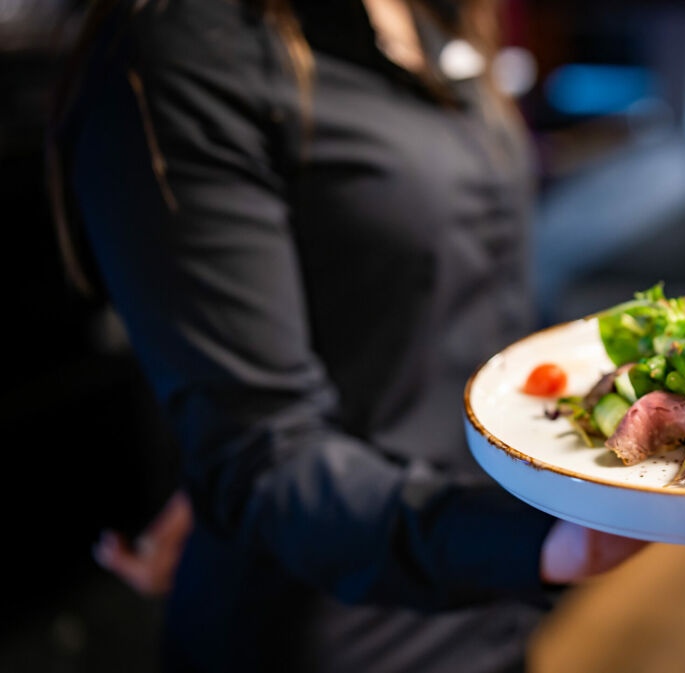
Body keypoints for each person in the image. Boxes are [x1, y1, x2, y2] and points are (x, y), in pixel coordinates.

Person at [49, 1, 645, 671]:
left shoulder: (425, 16)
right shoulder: (181, 47)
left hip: (493, 610)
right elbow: (264, 448)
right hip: (341, 635)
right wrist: (539, 538)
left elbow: (433, 301)